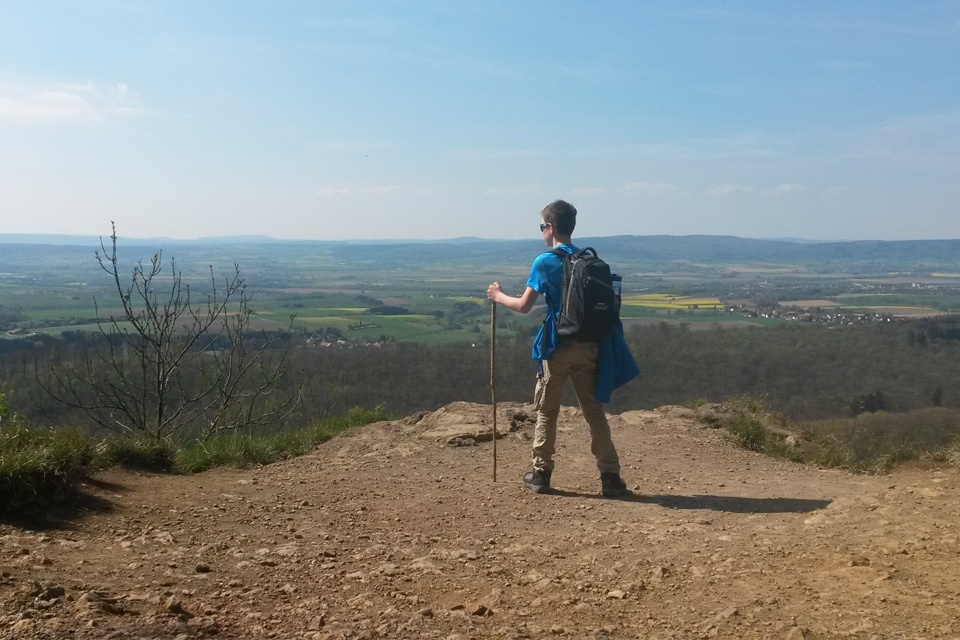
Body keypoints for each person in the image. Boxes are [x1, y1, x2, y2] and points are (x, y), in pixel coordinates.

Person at [487, 200, 630, 497]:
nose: (542, 231)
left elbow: (524, 306)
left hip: (558, 346)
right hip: (591, 346)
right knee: (594, 413)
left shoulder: (545, 261)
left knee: (547, 412)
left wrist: (498, 296)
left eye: (542, 226)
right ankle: (611, 477)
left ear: (550, 228)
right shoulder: (589, 260)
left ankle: (541, 474)